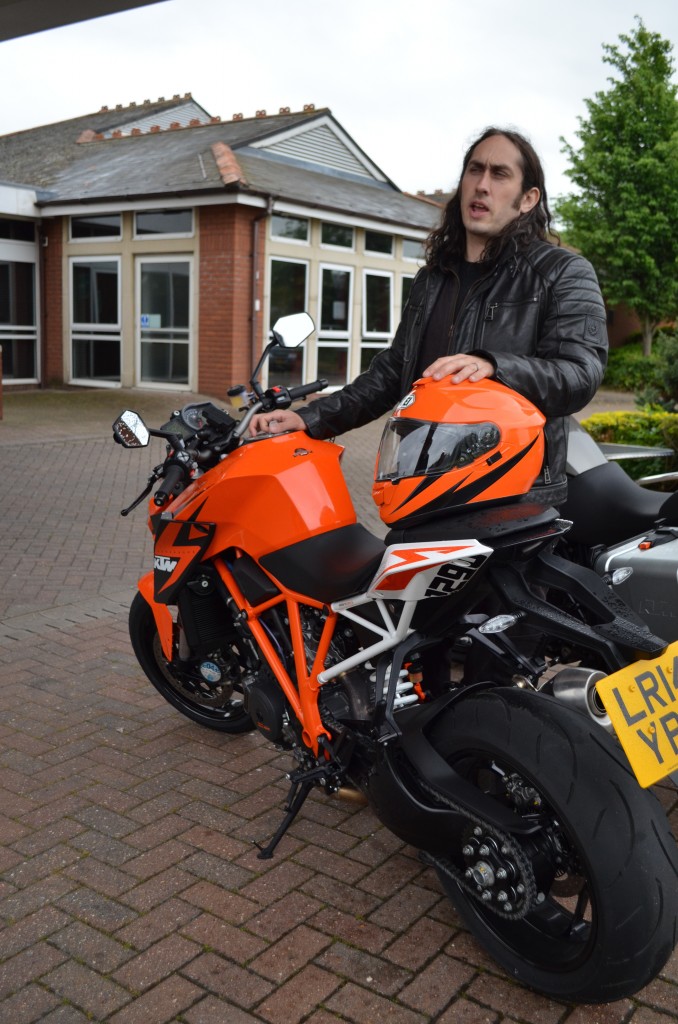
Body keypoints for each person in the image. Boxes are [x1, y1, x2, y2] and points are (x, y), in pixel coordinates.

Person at [250, 126, 608, 508]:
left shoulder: (561, 272)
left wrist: (494, 365)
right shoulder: (434, 277)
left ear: (527, 199)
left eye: (499, 174)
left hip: (513, 496)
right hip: (421, 485)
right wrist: (311, 419)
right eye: (475, 170)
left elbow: (580, 374)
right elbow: (393, 373)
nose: (482, 185)